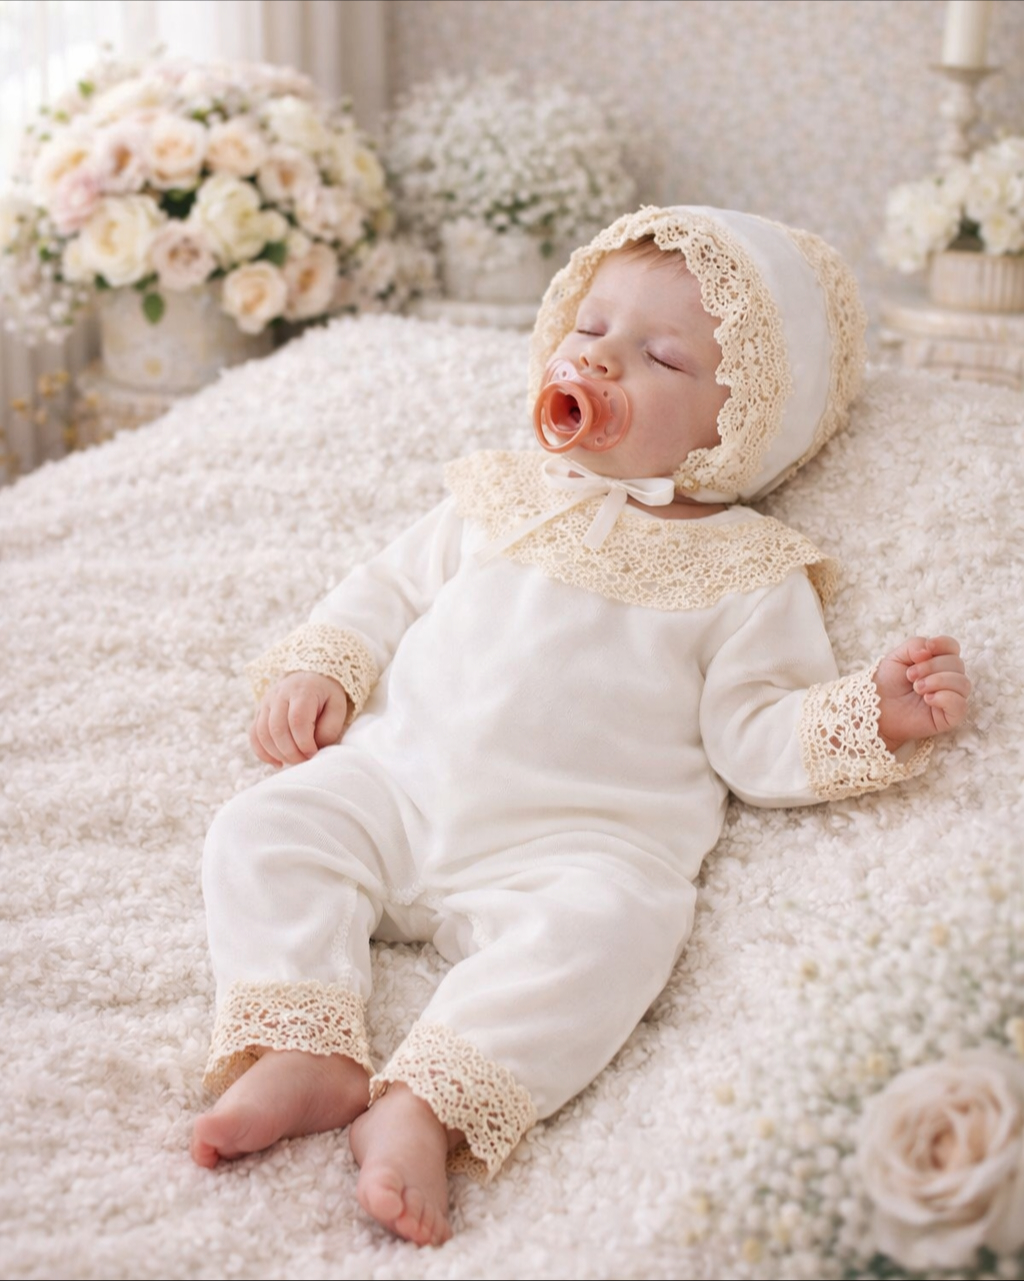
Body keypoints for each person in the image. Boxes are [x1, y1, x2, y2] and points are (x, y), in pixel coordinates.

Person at [189, 206, 970, 1247]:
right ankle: (305, 1040)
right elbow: (383, 591)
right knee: (264, 829)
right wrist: (324, 665)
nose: (601, 359)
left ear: (740, 422)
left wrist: (869, 713)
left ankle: (422, 1106)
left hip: (575, 849)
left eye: (660, 356)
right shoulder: (498, 496)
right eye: (590, 328)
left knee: (615, 935)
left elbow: (754, 735)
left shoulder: (748, 569)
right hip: (397, 784)